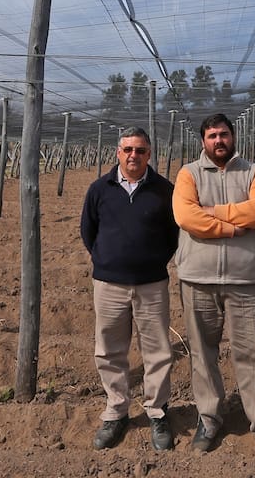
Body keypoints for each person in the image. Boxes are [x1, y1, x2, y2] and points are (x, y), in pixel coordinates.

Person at [172, 113, 255, 454]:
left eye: (223, 134)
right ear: (202, 142)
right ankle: (209, 420)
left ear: (233, 136)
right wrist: (234, 226)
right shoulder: (188, 173)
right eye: (211, 136)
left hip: (245, 281)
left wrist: (213, 212)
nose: (218, 140)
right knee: (203, 356)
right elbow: (186, 217)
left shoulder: (253, 171)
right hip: (196, 280)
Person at [80, 127, 179, 451]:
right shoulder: (99, 189)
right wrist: (107, 261)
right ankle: (116, 411)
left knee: (158, 351)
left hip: (152, 284)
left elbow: (173, 236)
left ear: (149, 154)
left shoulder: (165, 190)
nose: (133, 155)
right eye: (127, 150)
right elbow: (88, 230)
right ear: (118, 153)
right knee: (109, 349)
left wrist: (152, 262)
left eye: (140, 150)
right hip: (109, 285)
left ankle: (157, 411)